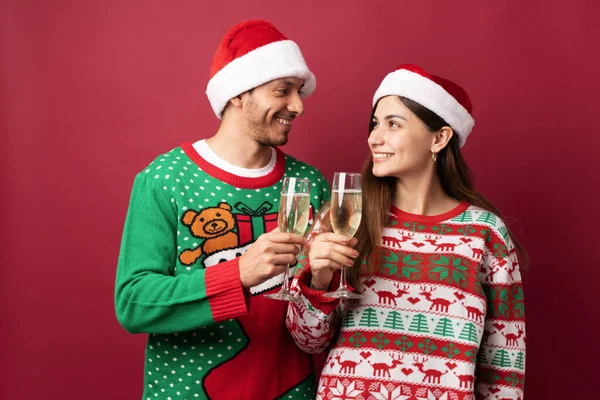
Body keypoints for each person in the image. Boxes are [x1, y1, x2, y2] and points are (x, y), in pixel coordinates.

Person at [115, 20, 330, 400]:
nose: (297, 105)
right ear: (237, 95)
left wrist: (324, 282)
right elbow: (134, 304)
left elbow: (323, 316)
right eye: (283, 91)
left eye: (299, 92)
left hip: (291, 390)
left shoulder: (310, 185)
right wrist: (239, 274)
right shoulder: (165, 179)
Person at [286, 64, 527, 399]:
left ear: (439, 138)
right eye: (374, 124)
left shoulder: (485, 234)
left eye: (393, 124)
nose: (374, 137)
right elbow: (307, 340)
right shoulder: (345, 217)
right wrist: (320, 281)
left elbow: (504, 365)